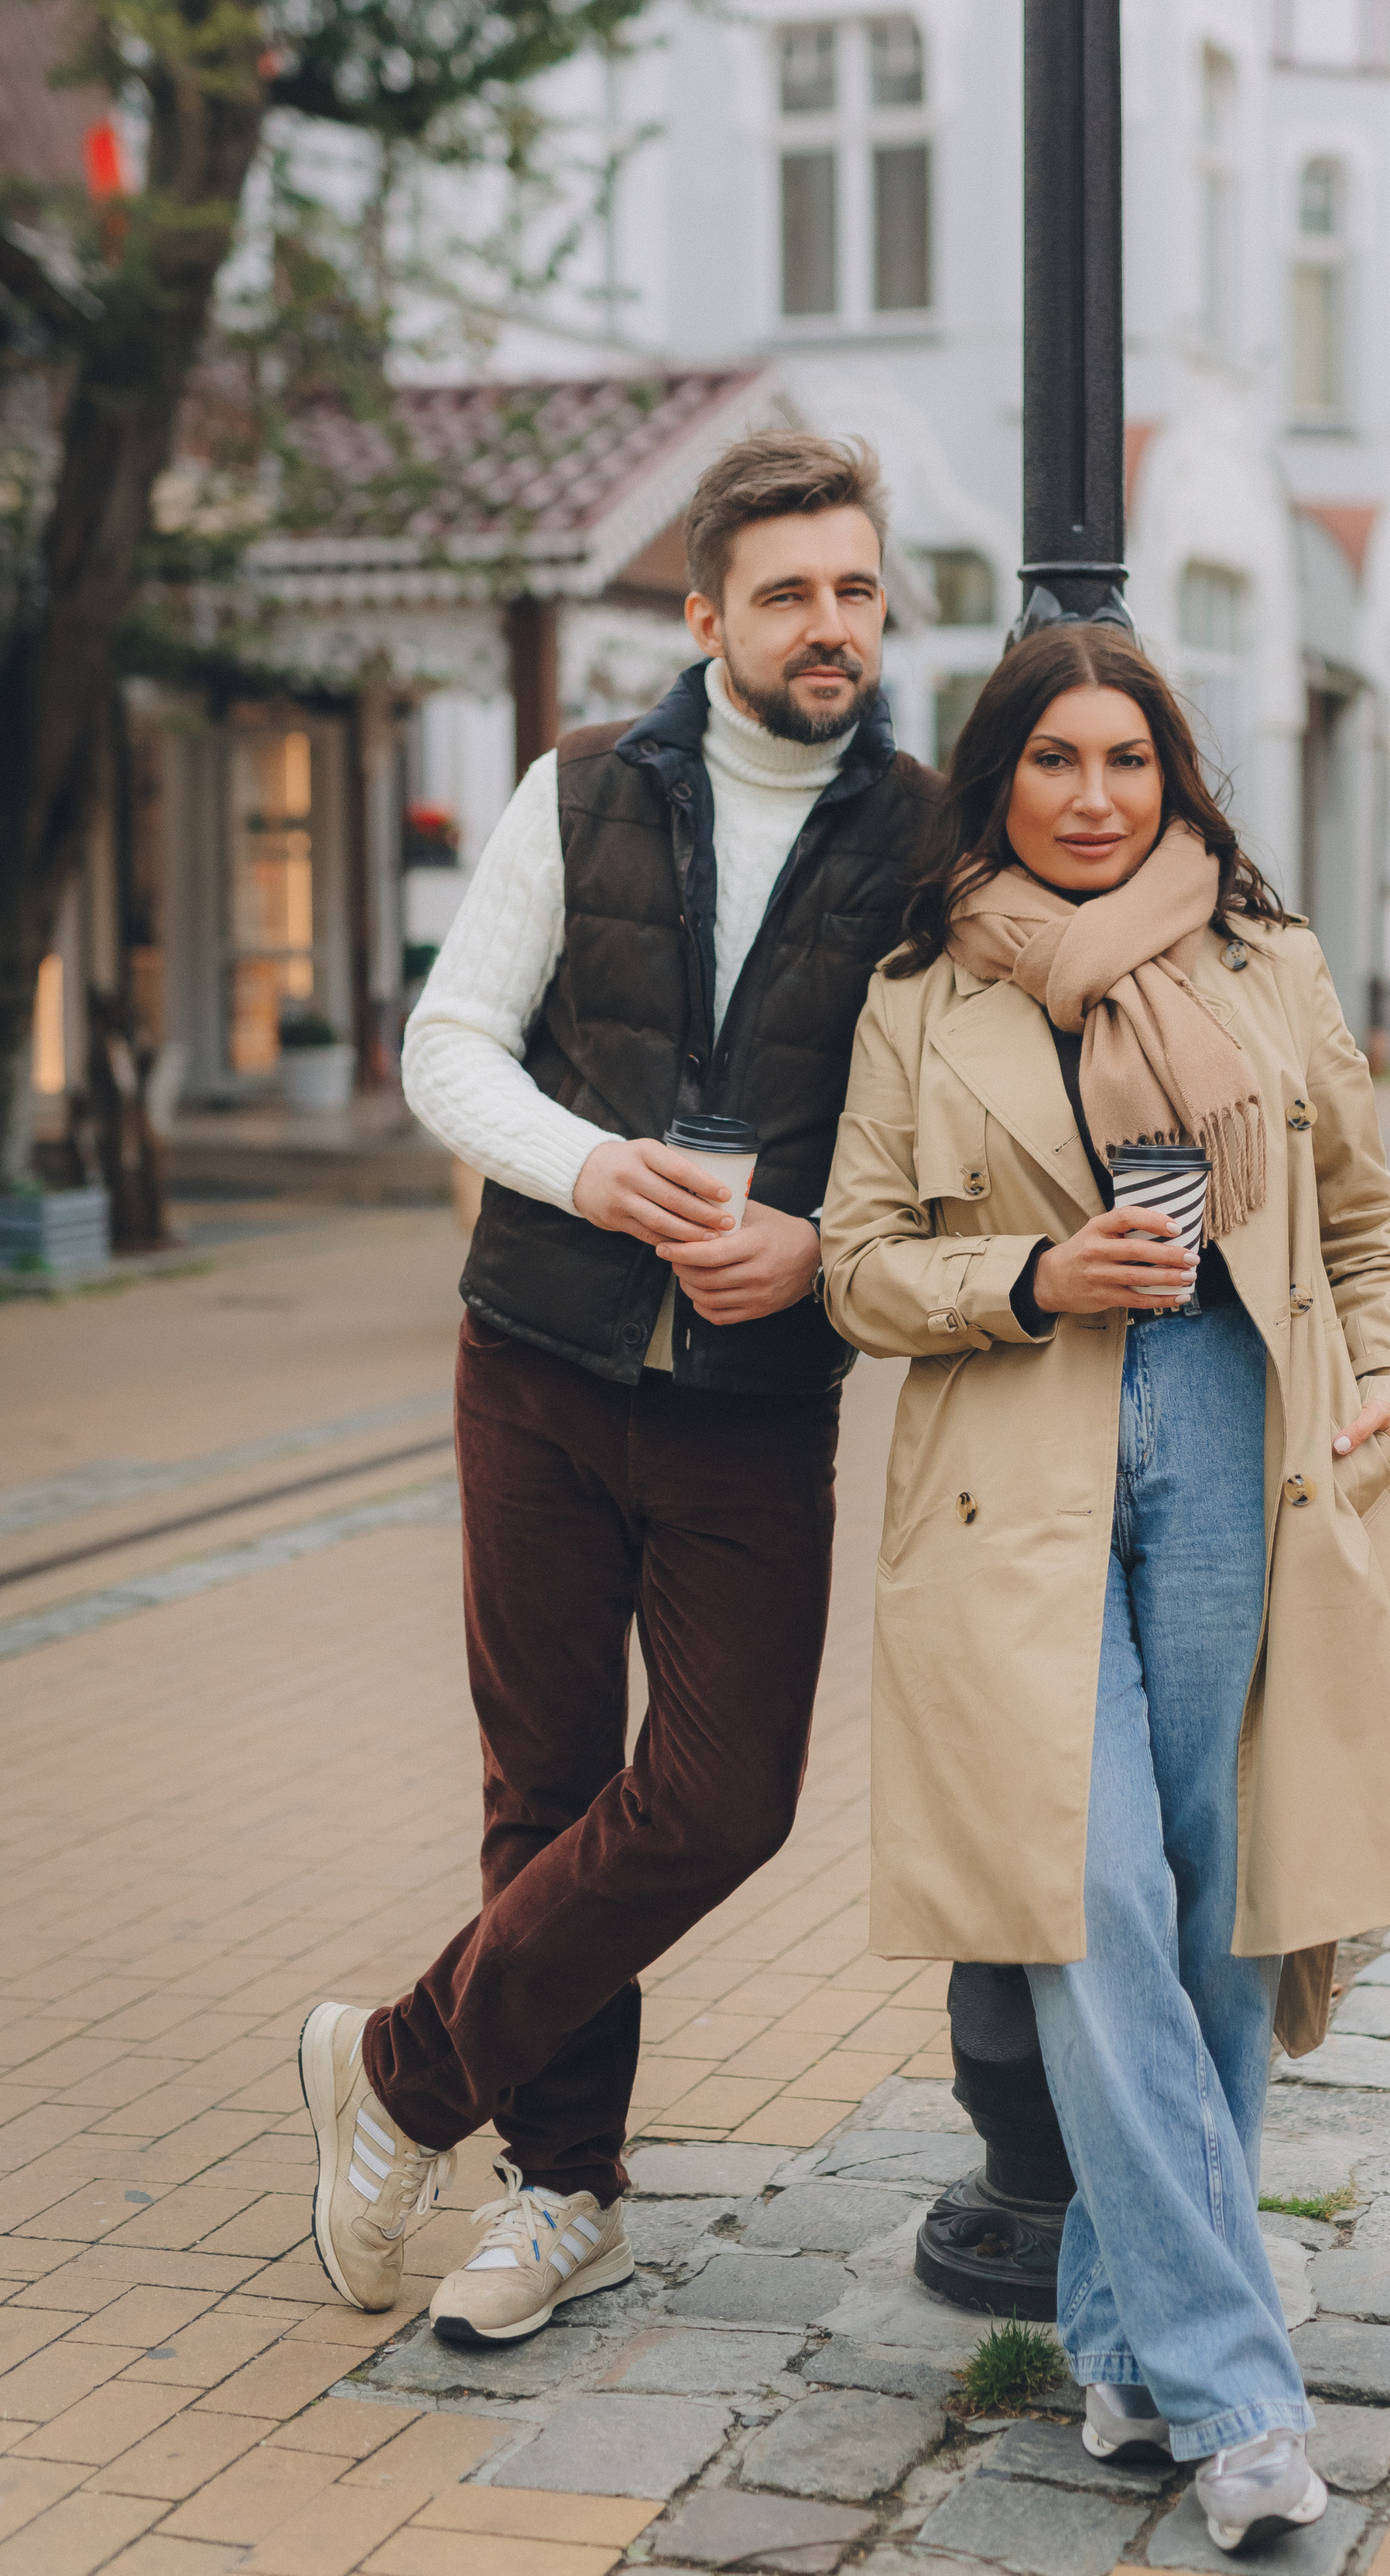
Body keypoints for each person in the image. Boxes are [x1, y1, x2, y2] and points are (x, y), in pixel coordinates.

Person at [820, 628, 1390, 2554]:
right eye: (1051, 760)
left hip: (1241, 1458)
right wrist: (1032, 1275)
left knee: (1211, 1915)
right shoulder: (922, 995)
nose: (1091, 796)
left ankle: (1115, 2340)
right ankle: (1237, 2393)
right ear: (994, 782)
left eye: (1125, 758)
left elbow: (1364, 1221)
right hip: (1007, 1495)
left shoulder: (1265, 967)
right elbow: (857, 1260)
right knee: (1085, 1894)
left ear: (1174, 777)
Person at [296, 432, 938, 2348]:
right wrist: (588, 1168)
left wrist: (815, 1241)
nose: (828, 625)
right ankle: (558, 2186)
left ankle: (400, 2069)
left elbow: (948, 1136)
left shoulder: (923, 831)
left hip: (758, 1394)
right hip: (541, 1362)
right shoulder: (580, 788)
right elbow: (447, 1044)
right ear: (703, 614)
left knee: (724, 1794)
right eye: (785, 594)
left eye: (852, 589)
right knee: (549, 1783)